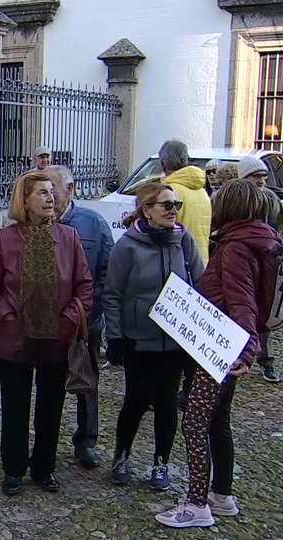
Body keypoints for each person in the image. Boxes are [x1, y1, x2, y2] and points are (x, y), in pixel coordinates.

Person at [156, 180, 281, 528]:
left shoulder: (235, 248)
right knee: (218, 420)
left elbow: (242, 301)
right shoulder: (257, 242)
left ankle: (197, 505)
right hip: (226, 346)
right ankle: (221, 495)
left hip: (219, 350)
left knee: (195, 423)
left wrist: (247, 349)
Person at [0, 171, 93, 496]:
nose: (50, 198)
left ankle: (44, 468)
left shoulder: (68, 237)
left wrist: (70, 317)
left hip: (56, 337)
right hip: (15, 337)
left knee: (50, 408)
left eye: (51, 192)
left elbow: (84, 285)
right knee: (15, 408)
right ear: (24, 200)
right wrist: (5, 314)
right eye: (41, 193)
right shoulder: (5, 239)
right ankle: (13, 469)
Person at [105, 183, 204, 491]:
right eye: (166, 205)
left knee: (166, 402)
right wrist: (116, 337)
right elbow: (112, 294)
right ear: (147, 210)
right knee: (135, 400)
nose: (173, 209)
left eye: (175, 204)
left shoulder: (183, 240)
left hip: (175, 342)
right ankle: (121, 455)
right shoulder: (128, 246)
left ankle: (160, 461)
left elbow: (200, 284)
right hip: (139, 340)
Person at [46, 166, 114, 469]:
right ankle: (45, 438)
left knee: (86, 382)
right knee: (48, 383)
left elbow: (106, 273)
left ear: (70, 190)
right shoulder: (34, 223)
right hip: (45, 322)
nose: (48, 196)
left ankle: (86, 441)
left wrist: (87, 311)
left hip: (85, 321)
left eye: (53, 190)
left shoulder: (93, 224)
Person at [235, 156, 282, 383]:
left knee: (263, 311)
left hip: (266, 264)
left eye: (264, 175)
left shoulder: (272, 199)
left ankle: (267, 361)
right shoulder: (234, 199)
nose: (261, 180)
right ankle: (235, 355)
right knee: (239, 309)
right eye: (256, 176)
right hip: (240, 262)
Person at [159, 139, 211, 264]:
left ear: (164, 162)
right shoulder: (201, 191)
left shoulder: (169, 191)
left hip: (178, 262)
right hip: (201, 261)